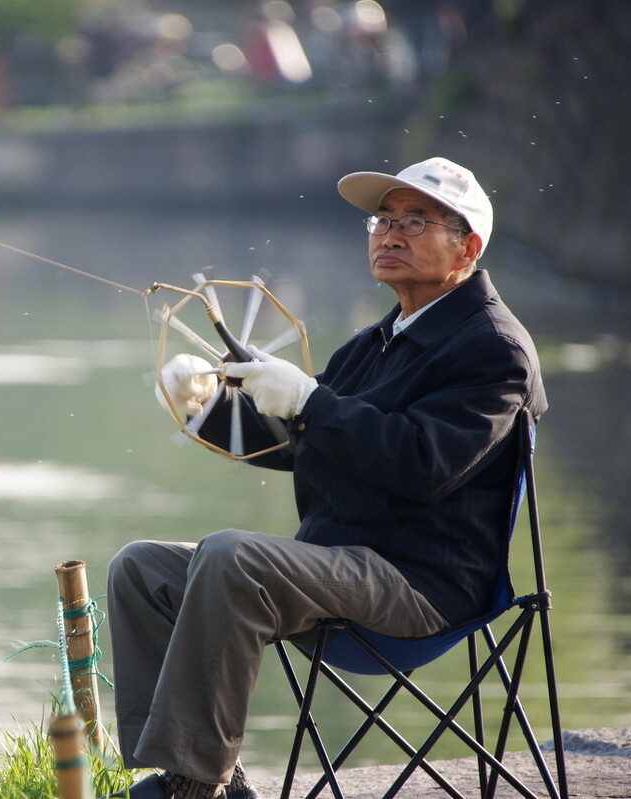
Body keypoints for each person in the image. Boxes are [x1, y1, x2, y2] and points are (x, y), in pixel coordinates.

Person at [104, 156, 547, 799]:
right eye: (382, 220)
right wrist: (208, 407)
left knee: (234, 557)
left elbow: (423, 466)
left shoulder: (494, 350)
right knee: (142, 569)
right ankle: (185, 772)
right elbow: (301, 444)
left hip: (421, 585)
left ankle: (193, 785)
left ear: (467, 247)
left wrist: (311, 401)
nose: (389, 235)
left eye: (415, 222)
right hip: (336, 568)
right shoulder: (376, 342)